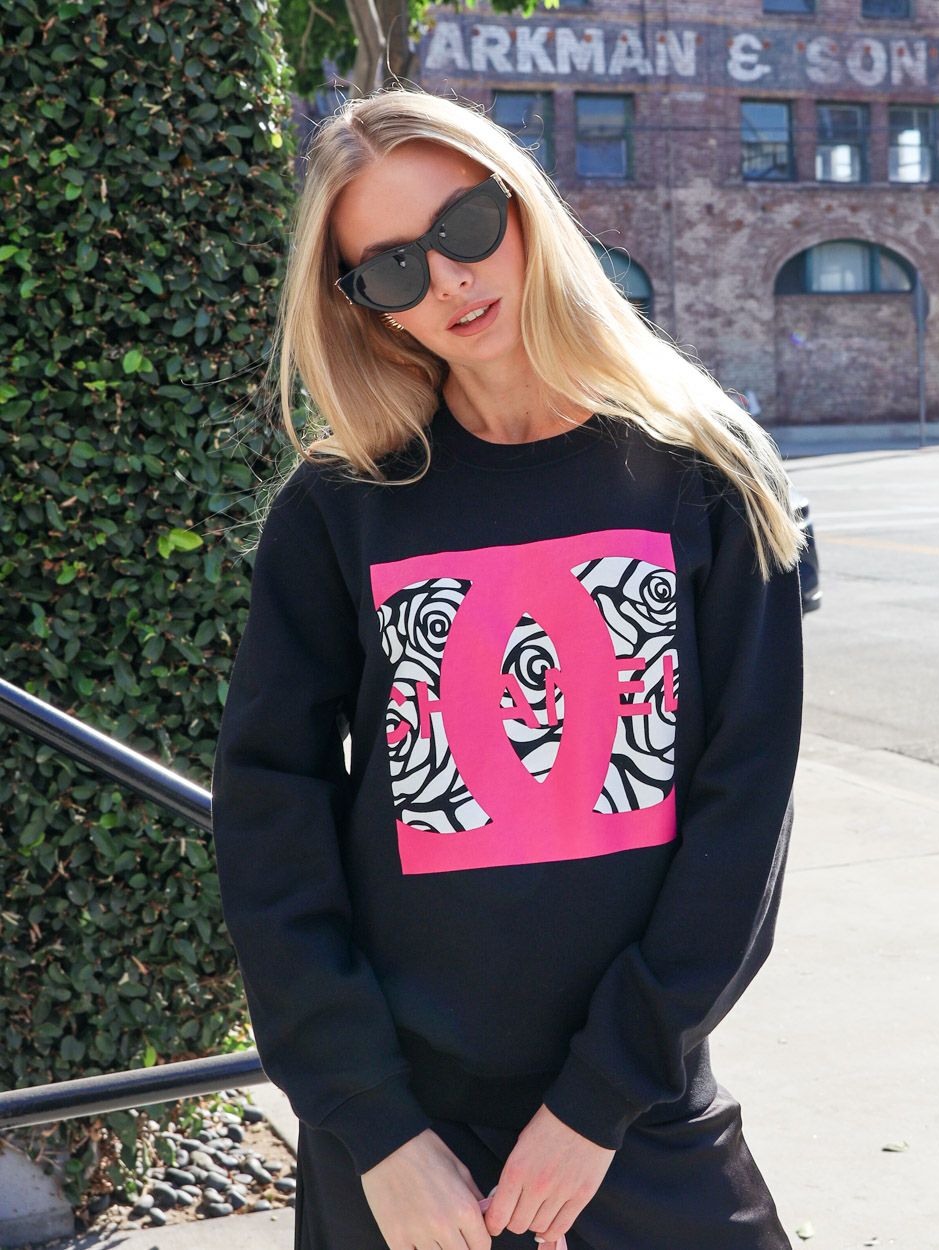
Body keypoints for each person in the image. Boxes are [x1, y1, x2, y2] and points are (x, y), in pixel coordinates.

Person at [210, 84, 806, 1250]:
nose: (448, 280)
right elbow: (271, 809)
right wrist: (370, 1123)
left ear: (523, 206)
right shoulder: (341, 503)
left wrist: (598, 1099)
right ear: (362, 305)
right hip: (402, 1138)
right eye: (391, 269)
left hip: (634, 1114)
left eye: (465, 226)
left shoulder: (706, 473)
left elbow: (744, 810)